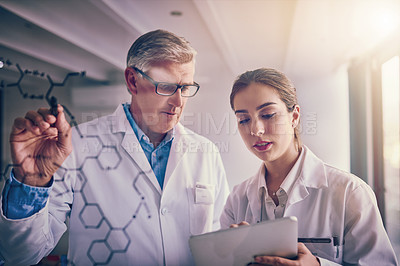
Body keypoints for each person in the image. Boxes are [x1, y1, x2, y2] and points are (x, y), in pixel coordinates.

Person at [0, 29, 230, 265]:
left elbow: (220, 247)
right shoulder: (76, 146)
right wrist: (31, 182)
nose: (178, 102)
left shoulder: (206, 152)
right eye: (167, 87)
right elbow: (21, 256)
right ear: (133, 81)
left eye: (185, 88)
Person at [220, 68, 398, 265]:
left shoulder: (350, 192)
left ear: (294, 117)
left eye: (268, 115)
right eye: (243, 120)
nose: (256, 130)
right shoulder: (237, 200)